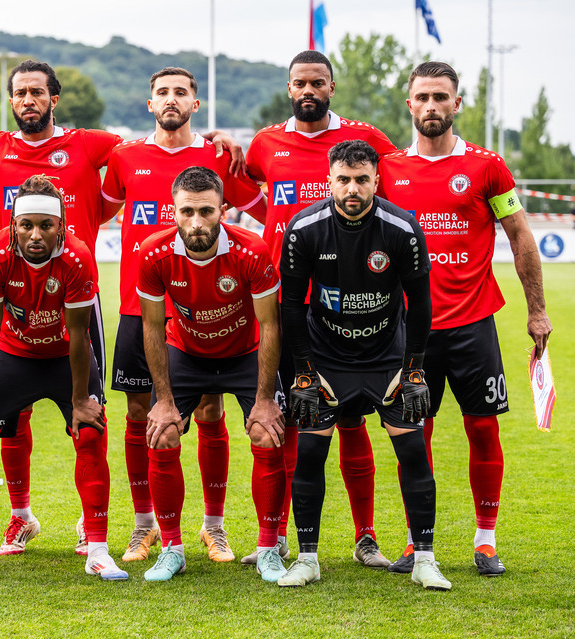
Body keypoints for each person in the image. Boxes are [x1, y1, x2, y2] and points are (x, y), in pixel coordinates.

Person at [0, 60, 246, 557]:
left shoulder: (93, 144)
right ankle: (20, 516)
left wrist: (211, 140)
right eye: (20, 93)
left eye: (38, 92)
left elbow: (154, 144)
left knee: (92, 412)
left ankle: (93, 524)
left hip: (80, 294)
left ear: (53, 99)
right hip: (17, 294)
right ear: (12, 100)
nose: (28, 100)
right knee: (10, 418)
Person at [378, 61, 552, 576]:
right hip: (411, 329)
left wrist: (537, 310)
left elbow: (520, 236)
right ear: (409, 104)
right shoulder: (388, 170)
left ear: (457, 104)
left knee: (482, 429)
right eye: (422, 97)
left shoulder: (487, 166)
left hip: (474, 323)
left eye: (441, 97)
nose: (431, 106)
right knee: (415, 434)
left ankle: (485, 540)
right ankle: (416, 540)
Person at [99, 67, 267, 564]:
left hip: (210, 310)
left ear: (196, 103)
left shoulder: (218, 156)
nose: (171, 99)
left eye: (181, 92)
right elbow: (93, 210)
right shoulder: (124, 156)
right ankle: (144, 525)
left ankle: (213, 527)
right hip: (141, 308)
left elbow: (262, 210)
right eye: (162, 93)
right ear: (149, 103)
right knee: (140, 414)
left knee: (212, 413)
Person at [243, 50, 399, 568]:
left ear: (331, 87)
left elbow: (394, 195)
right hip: (285, 306)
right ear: (289, 88)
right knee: (289, 421)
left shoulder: (367, 139)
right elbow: (243, 194)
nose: (308, 90)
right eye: (299, 83)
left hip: (347, 309)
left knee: (352, 422)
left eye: (317, 83)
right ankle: (278, 537)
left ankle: (365, 536)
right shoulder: (266, 143)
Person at [277, 140, 450, 590]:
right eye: (343, 179)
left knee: (413, 451)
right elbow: (292, 305)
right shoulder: (303, 229)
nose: (352, 189)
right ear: (329, 180)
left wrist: (415, 370)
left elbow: (422, 303)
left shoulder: (402, 228)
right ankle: (308, 558)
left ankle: (426, 557)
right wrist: (302, 371)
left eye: (362, 180)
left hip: (386, 360)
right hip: (326, 359)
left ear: (376, 179)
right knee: (311, 453)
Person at [0, 175, 126, 581]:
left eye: (46, 225)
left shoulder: (76, 257)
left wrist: (79, 401)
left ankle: (97, 549)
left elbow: (80, 335)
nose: (36, 235)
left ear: (62, 225)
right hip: (13, 355)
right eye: (26, 225)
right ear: (12, 226)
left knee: (91, 433)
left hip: (64, 358)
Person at [137, 166, 286, 582]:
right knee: (162, 432)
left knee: (266, 431)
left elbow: (271, 325)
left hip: (244, 352)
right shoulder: (153, 253)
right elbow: (152, 326)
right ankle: (171, 548)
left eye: (206, 211)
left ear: (223, 209)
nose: (197, 222)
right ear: (174, 211)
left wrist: (265, 399)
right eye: (187, 212)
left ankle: (268, 548)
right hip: (186, 353)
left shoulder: (252, 250)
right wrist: (164, 401)